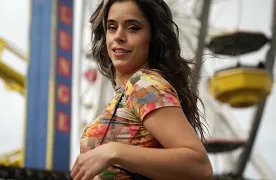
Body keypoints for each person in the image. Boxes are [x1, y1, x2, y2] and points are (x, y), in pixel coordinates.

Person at [71, 0, 213, 179]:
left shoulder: (144, 86)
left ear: (153, 38)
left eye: (133, 28)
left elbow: (199, 166)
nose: (119, 36)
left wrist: (114, 152)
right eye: (112, 27)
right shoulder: (127, 92)